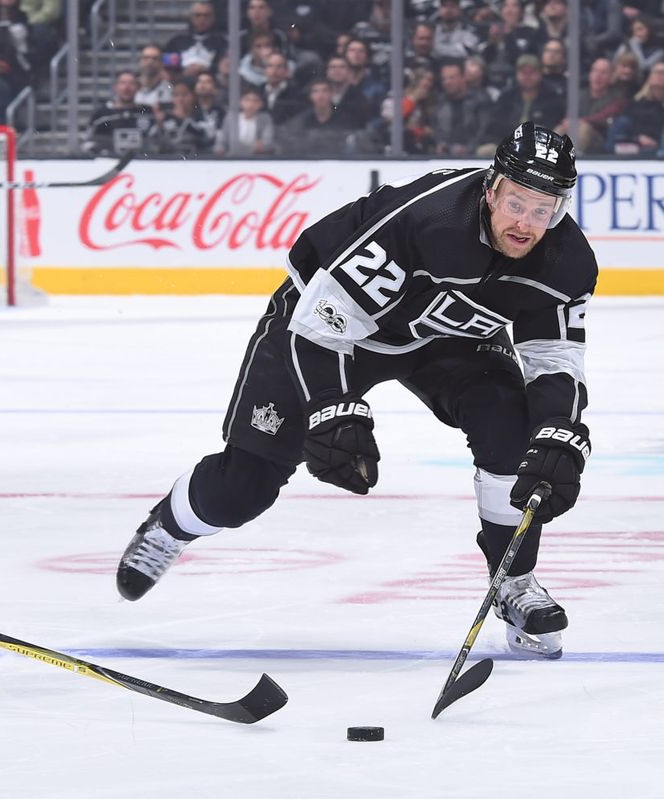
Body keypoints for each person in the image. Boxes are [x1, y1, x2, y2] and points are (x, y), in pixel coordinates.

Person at [116, 122, 595, 662]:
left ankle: (514, 580)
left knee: (515, 432)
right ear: (491, 188)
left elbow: (554, 358)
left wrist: (559, 431)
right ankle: (171, 526)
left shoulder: (566, 260)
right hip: (327, 324)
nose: (527, 223)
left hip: (444, 339)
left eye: (543, 208)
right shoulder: (427, 220)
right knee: (244, 487)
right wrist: (333, 408)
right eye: (516, 203)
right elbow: (322, 322)